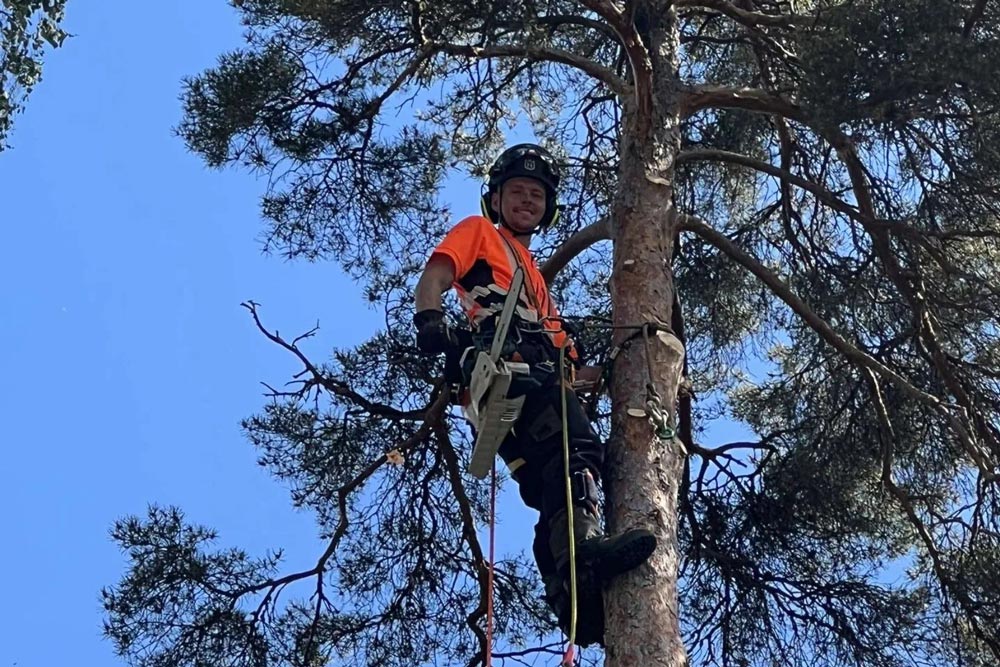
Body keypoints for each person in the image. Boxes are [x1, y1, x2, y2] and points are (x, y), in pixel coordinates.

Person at [413, 143, 656, 645]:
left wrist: (617, 368)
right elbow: (438, 272)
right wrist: (429, 316)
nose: (527, 201)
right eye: (517, 192)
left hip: (528, 378)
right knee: (579, 454)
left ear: (549, 208)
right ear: (495, 200)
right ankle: (584, 550)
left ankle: (572, 595)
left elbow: (573, 375)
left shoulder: (536, 284)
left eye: (537, 195)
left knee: (550, 484)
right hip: (510, 367)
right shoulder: (479, 233)